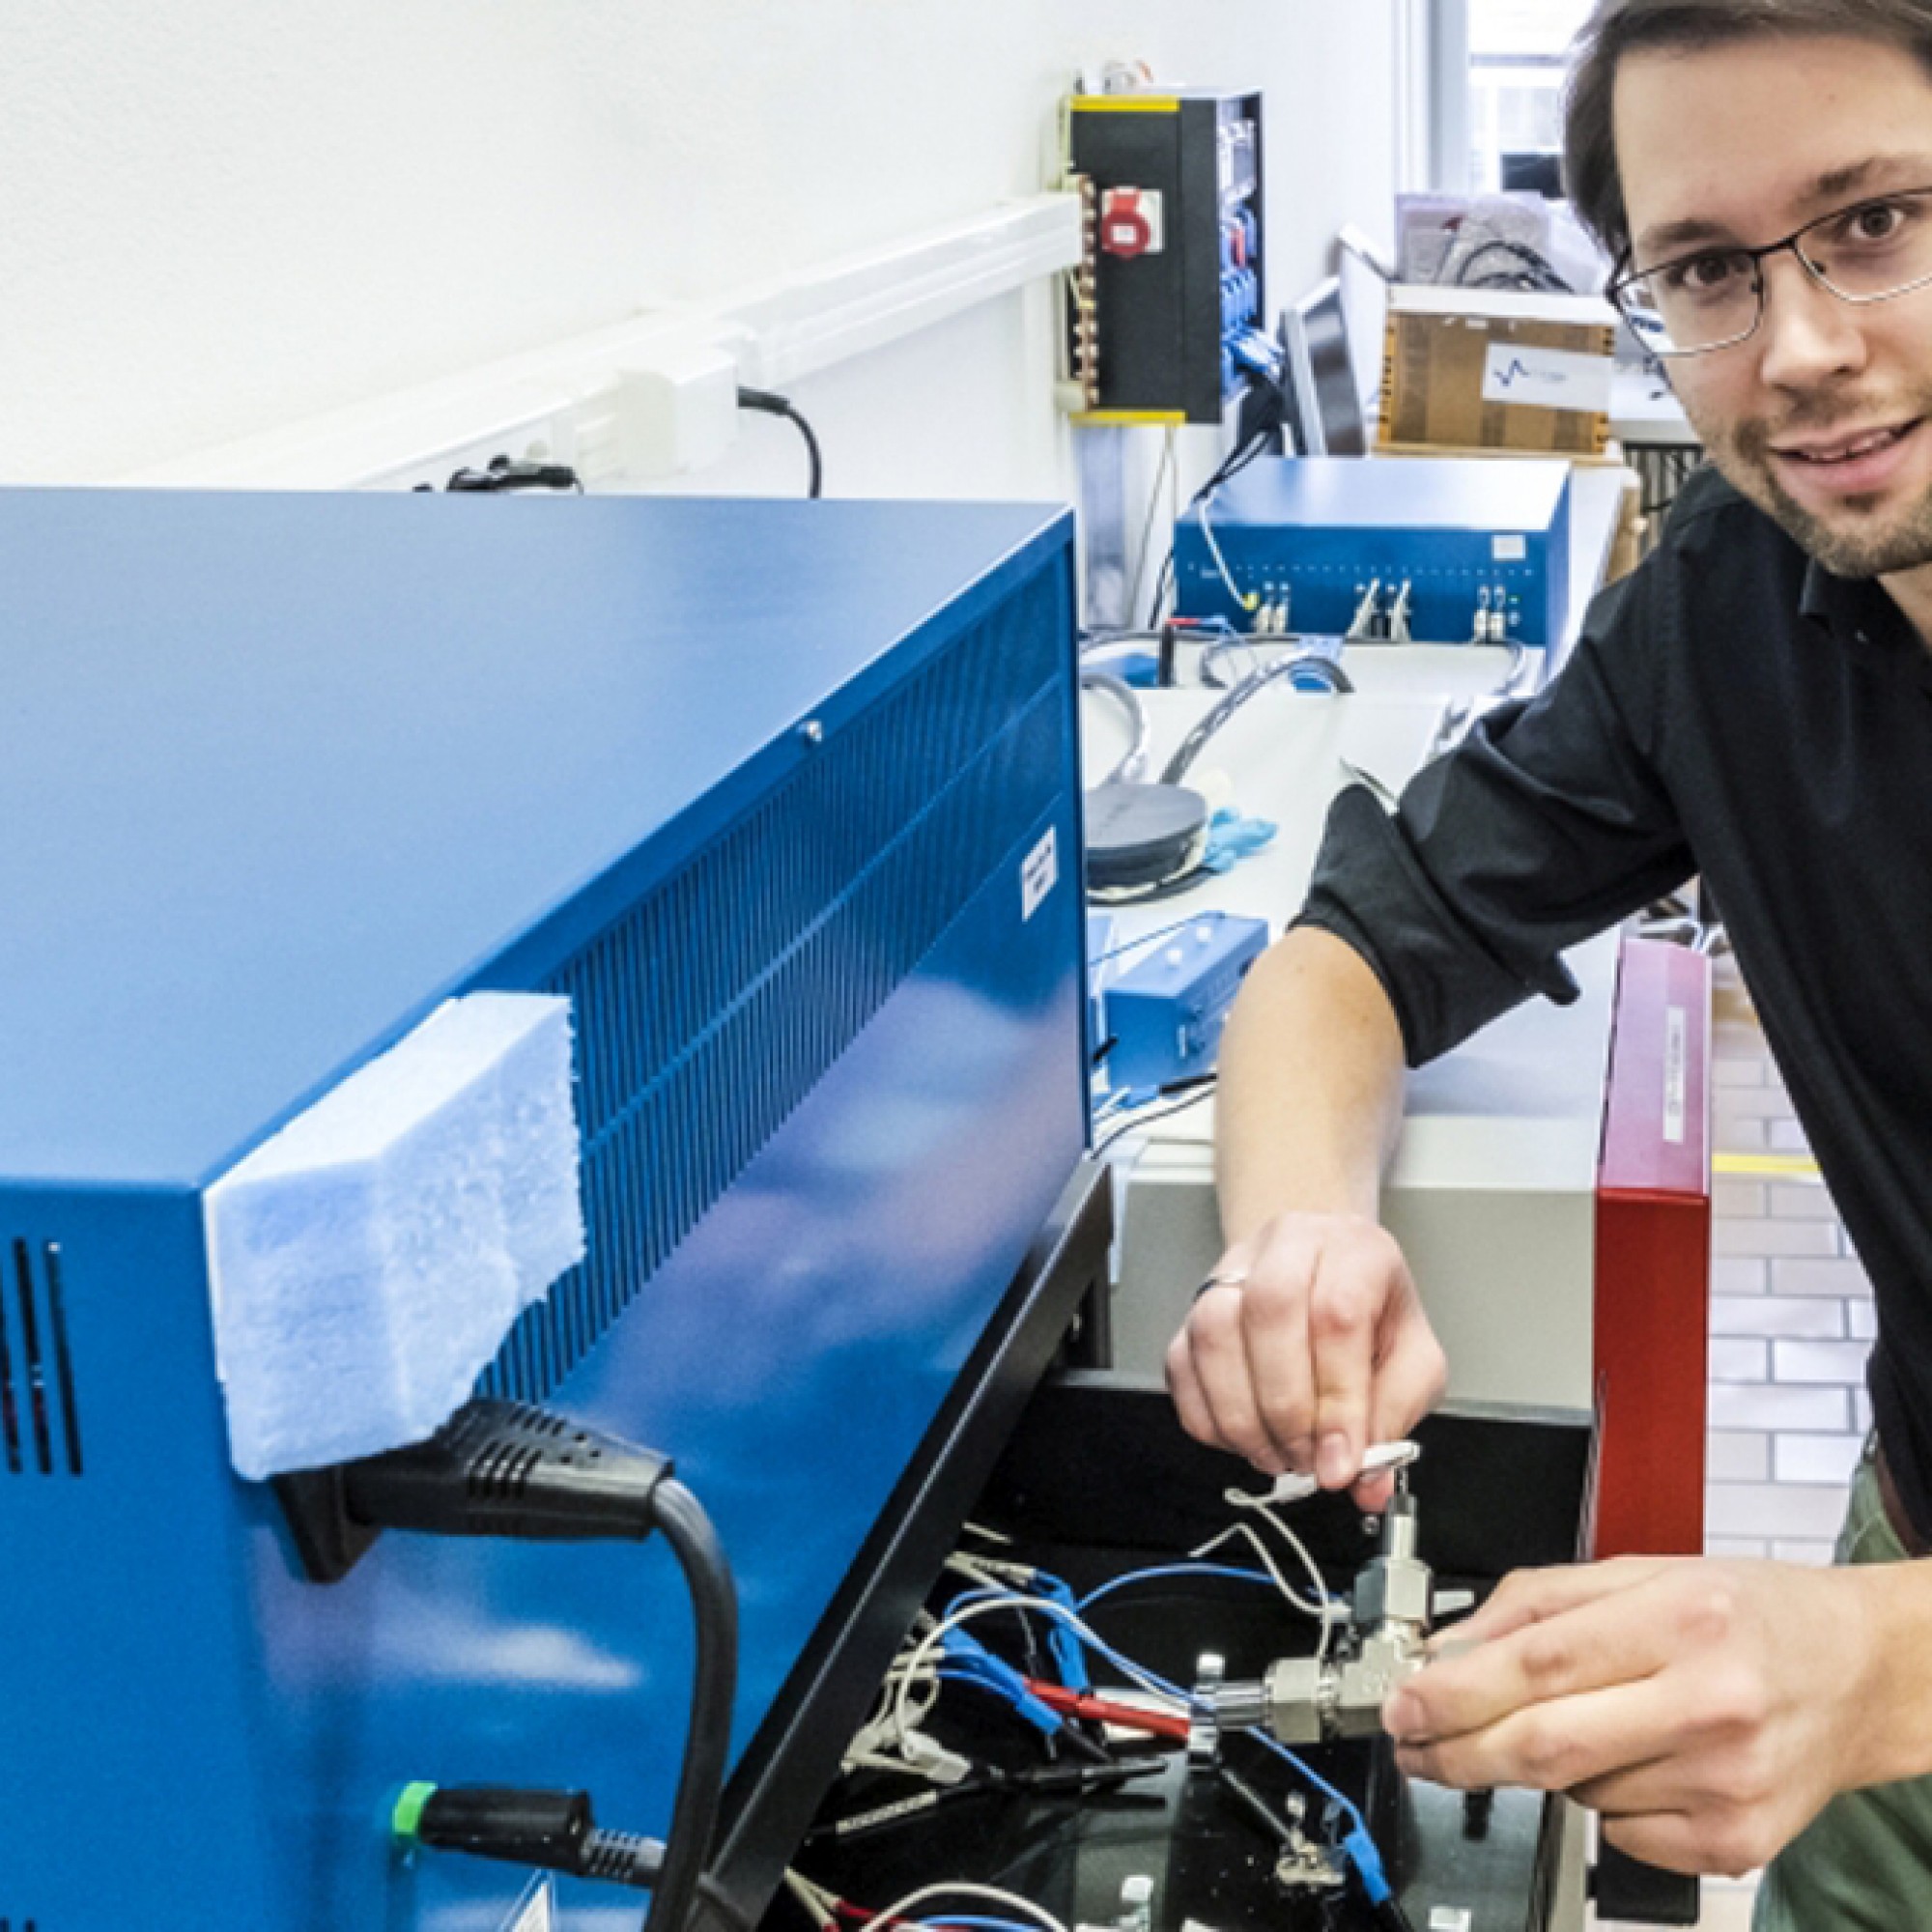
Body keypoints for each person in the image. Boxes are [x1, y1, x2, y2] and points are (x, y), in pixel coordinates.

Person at [1163, 3, 1932, 1924]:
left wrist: (1871, 1669)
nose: (1806, 351)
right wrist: (1295, 1244)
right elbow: (1358, 948)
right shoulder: (1727, 621)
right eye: (1702, 271)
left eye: (1874, 222)